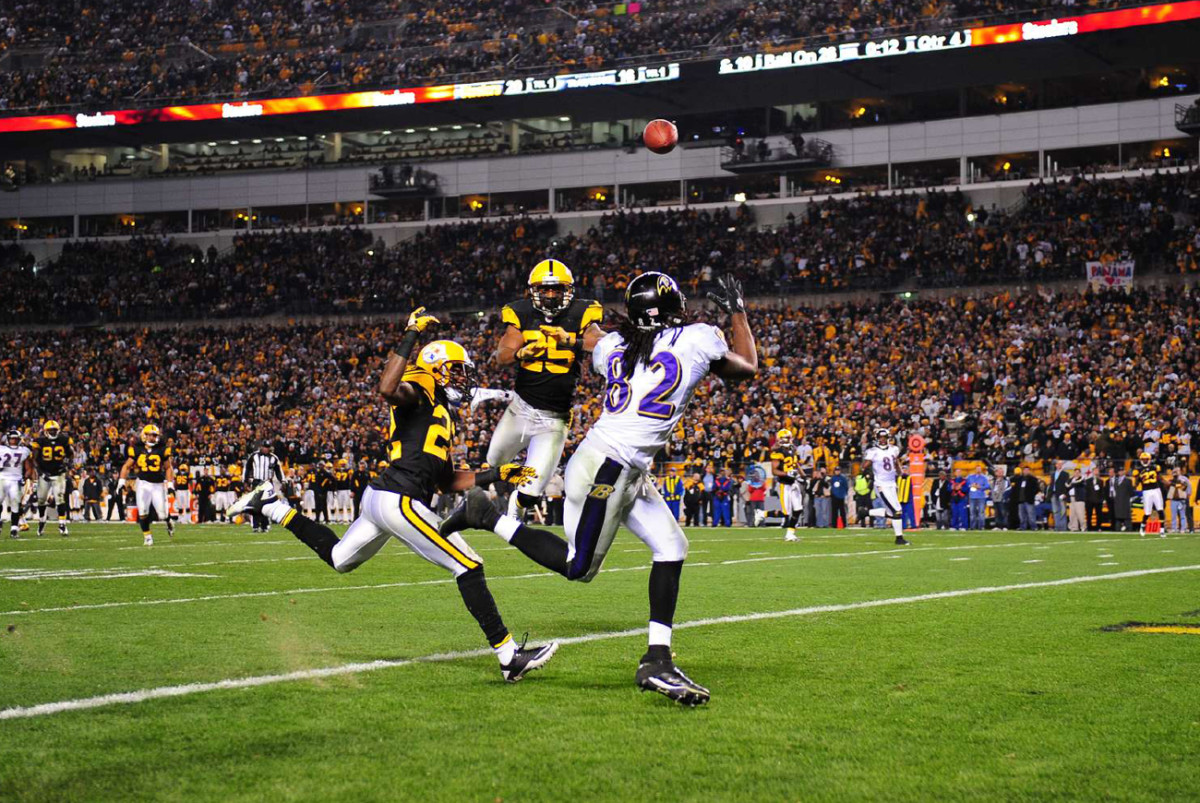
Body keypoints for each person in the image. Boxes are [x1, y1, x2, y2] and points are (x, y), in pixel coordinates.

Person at [440, 272, 758, 706]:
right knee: (578, 567)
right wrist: (738, 312)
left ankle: (657, 659)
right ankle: (486, 515)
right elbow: (747, 368)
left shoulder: (615, 345)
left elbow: (590, 341)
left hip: (617, 464)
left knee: (672, 546)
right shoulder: (698, 337)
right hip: (606, 468)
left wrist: (557, 335)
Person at [230, 308, 556, 683]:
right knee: (468, 565)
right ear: (435, 369)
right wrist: (411, 335)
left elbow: (446, 479)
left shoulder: (439, 410)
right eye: (456, 370)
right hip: (398, 499)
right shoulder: (418, 391)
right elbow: (387, 388)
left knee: (340, 559)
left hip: (383, 497)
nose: (463, 379)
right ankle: (508, 656)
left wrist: (497, 473)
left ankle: (271, 504)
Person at [488, 259, 605, 522]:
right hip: (521, 409)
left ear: (569, 290)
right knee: (494, 460)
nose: (551, 295)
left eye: (557, 289)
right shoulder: (521, 313)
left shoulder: (582, 312)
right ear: (533, 291)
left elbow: (602, 342)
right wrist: (521, 352)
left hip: (555, 418)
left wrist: (571, 340)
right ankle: (504, 493)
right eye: (545, 289)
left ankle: (518, 505)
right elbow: (502, 355)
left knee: (533, 490)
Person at [119, 424, 175, 546]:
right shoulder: (137, 449)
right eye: (151, 435)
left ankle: (168, 520)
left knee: (162, 513)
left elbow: (168, 468)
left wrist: (170, 485)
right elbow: (126, 466)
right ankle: (147, 536)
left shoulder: (162, 449)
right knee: (143, 511)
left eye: (155, 436)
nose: (153, 438)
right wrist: (121, 482)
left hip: (158, 484)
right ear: (144, 436)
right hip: (143, 483)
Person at [865, 429, 910, 545]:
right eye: (881, 437)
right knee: (897, 510)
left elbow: (895, 464)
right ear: (877, 438)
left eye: (885, 437)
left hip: (892, 483)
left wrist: (901, 474)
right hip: (881, 485)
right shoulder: (873, 451)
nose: (883, 440)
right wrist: (867, 468)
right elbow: (864, 466)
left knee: (892, 513)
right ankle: (899, 538)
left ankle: (866, 512)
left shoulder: (894, 449)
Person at [30, 420, 73, 537]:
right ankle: (42, 521)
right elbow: (34, 458)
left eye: (54, 430)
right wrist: (40, 472)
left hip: (59, 473)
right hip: (45, 473)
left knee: (60, 497)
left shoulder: (63, 440)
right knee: (41, 499)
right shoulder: (40, 441)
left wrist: (68, 463)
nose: (53, 432)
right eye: (50, 430)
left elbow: (70, 454)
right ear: (46, 431)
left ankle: (62, 524)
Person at [243, 440, 284, 533]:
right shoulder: (254, 456)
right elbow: (247, 468)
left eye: (267, 447)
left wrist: (283, 481)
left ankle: (265, 525)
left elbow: (278, 471)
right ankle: (255, 525)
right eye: (264, 447)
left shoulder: (274, 458)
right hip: (256, 482)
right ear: (261, 447)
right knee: (255, 505)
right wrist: (245, 481)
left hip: (268, 483)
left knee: (266, 505)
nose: (266, 449)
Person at [771, 429, 804, 541]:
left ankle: (790, 534)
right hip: (784, 484)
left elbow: (796, 464)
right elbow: (774, 471)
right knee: (786, 512)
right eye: (787, 438)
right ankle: (763, 514)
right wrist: (787, 473)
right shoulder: (777, 452)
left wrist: (804, 476)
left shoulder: (793, 449)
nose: (789, 440)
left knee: (798, 509)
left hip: (793, 482)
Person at [0, 429, 33, 538]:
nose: (13, 441)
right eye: (11, 439)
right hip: (2, 478)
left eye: (15, 439)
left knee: (15, 505)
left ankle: (14, 529)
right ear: (8, 439)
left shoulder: (24, 450)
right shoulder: (2, 448)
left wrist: (26, 476)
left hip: (15, 480)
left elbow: (28, 467)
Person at [1133, 452, 1165, 536]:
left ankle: (1162, 530)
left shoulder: (1155, 467)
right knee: (1147, 513)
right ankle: (1142, 526)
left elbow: (1160, 478)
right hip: (1146, 491)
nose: (1145, 461)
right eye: (1143, 459)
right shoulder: (1138, 470)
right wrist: (1136, 481)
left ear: (1149, 459)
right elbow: (1136, 483)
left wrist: (1168, 483)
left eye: (1146, 459)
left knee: (1160, 510)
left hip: (1156, 489)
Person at [1109, 466, 1134, 532]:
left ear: (1124, 471)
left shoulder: (1128, 481)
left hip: (1125, 501)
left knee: (1127, 517)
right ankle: (1117, 529)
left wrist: (1129, 498)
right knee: (1118, 517)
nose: (1120, 472)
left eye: (1122, 471)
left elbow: (1131, 492)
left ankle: (1129, 529)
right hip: (1117, 501)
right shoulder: (1115, 481)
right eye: (1119, 471)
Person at [1014, 466, 1038, 531]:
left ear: (1029, 471)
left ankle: (1033, 527)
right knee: (1021, 515)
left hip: (1029, 500)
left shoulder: (1033, 479)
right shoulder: (1019, 479)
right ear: (1023, 471)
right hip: (1020, 500)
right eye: (1025, 470)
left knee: (1031, 514)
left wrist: (1031, 495)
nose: (1026, 471)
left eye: (1027, 470)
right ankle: (1022, 527)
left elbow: (1036, 489)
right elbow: (1016, 489)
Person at [1050, 460, 1070, 532]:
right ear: (1056, 465)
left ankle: (1063, 527)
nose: (1059, 465)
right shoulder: (1053, 474)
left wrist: (1065, 494)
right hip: (1054, 493)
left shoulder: (1065, 474)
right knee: (1055, 511)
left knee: (1063, 511)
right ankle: (1057, 526)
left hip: (1061, 494)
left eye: (1061, 464)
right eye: (1058, 464)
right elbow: (1051, 485)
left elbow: (1067, 485)